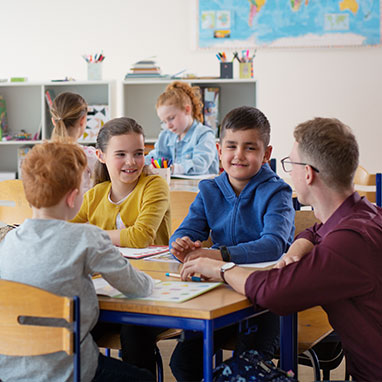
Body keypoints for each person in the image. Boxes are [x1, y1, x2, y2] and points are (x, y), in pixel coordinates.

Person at [180, 117, 382, 381]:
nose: (289, 174)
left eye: (291, 165)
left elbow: (273, 291)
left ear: (308, 174)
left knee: (237, 372)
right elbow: (316, 230)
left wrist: (219, 267)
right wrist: (301, 243)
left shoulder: (347, 242)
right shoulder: (366, 214)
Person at [0, 141, 155, 382]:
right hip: (69, 370)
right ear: (73, 197)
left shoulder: (8, 241)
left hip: (10, 371)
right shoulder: (87, 237)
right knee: (143, 378)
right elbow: (139, 288)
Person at [168, 106, 295, 381]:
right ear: (218, 149)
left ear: (266, 154)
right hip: (218, 296)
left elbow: (273, 245)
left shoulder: (278, 192)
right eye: (231, 146)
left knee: (247, 365)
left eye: (250, 148)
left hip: (264, 301)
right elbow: (184, 231)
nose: (238, 155)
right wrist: (180, 244)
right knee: (183, 363)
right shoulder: (209, 190)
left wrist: (218, 255)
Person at [71, 117, 171, 247]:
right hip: (107, 265)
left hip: (150, 267)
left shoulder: (155, 186)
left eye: (138, 153)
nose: (131, 162)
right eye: (121, 154)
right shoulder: (95, 195)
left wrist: (91, 234)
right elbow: (62, 226)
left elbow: (141, 237)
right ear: (101, 156)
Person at [145, 81, 219, 175]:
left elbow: (201, 163)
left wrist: (174, 169)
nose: (168, 126)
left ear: (187, 110)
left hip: (201, 187)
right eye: (164, 122)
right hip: (176, 187)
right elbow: (156, 156)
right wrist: (140, 164)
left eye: (171, 118)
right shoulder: (166, 135)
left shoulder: (204, 134)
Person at [50, 91, 97, 191]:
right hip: (82, 206)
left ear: (53, 121)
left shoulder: (40, 156)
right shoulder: (87, 155)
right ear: (83, 120)